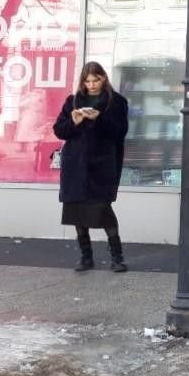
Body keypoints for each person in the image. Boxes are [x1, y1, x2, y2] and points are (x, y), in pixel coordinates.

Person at [53, 62, 130, 273]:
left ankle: (117, 257)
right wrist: (74, 121)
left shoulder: (117, 102)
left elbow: (120, 132)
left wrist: (99, 118)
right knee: (77, 210)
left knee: (103, 210)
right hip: (75, 164)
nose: (92, 84)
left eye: (96, 79)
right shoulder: (72, 101)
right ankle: (86, 257)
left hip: (102, 164)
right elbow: (59, 131)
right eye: (87, 81)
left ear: (104, 78)